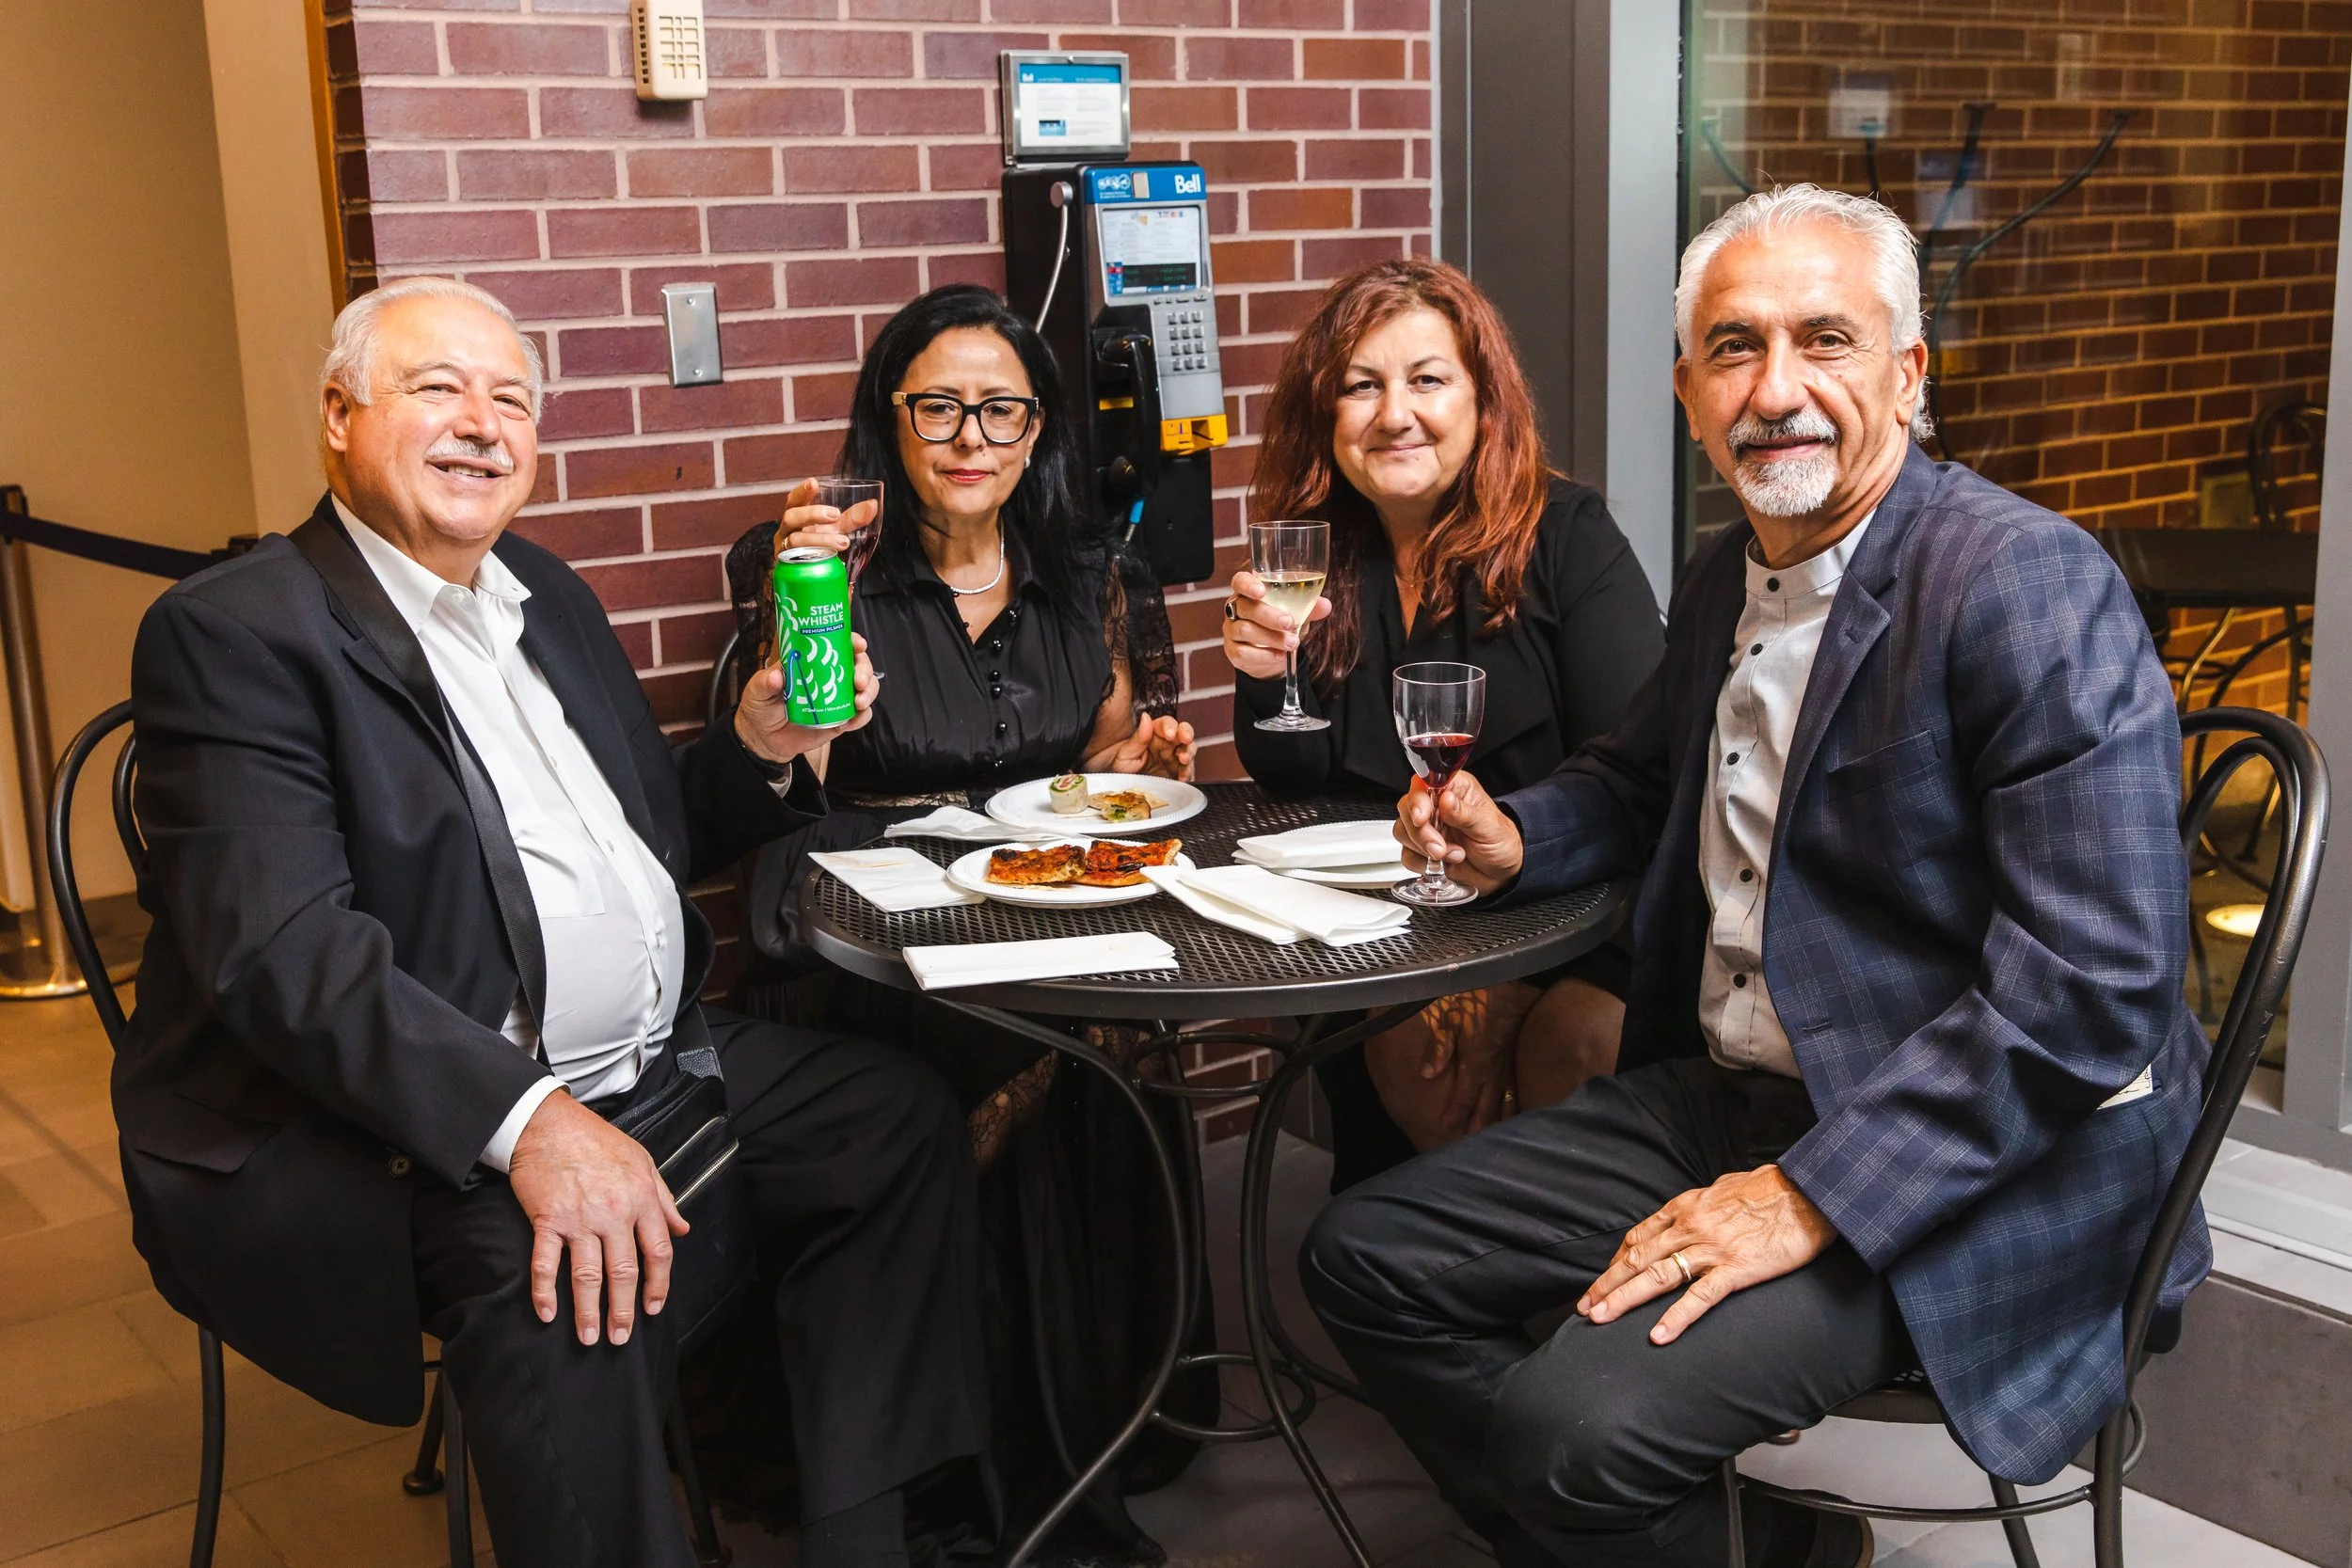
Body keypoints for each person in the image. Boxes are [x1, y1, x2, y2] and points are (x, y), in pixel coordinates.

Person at [1300, 185, 2211, 1568]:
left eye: (1823, 340)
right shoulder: (1733, 565)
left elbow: (2091, 991)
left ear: (1908, 372)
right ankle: (1755, 1548)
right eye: (1733, 347)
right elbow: (1643, 779)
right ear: (1686, 389)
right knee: (1361, 1257)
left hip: (1974, 1156)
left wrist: (1811, 1190)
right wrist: (1520, 836)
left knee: (1572, 1428)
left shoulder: (2022, 582)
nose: (1775, 389)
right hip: (1734, 1093)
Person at [117, 277, 983, 1568]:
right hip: (408, 1118)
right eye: (438, 388)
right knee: (571, 1294)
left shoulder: (544, 594)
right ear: (339, 418)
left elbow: (649, 835)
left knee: (894, 1117)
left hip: (647, 1061)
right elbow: (281, 953)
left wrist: (762, 744)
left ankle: (862, 1539)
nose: (483, 422)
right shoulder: (235, 633)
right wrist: (530, 1120)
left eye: (512, 399)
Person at [718, 284, 1212, 1561]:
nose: (970, 433)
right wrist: (791, 616)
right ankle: (964, 1474)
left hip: (1041, 899)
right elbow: (787, 774)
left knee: (1108, 1028)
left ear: (1041, 427)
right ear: (891, 418)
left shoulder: (1087, 573)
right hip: (869, 924)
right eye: (937, 404)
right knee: (1033, 1043)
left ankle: (1092, 1417)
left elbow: (1102, 754)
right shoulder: (821, 565)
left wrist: (1143, 750)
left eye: (1001, 406)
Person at [1217, 258, 1662, 1187]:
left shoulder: (1569, 538)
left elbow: (1642, 783)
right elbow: (1296, 780)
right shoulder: (1325, 554)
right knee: (1401, 1042)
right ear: (1323, 414)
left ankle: (1551, 1308)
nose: (1393, 414)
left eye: (1426, 379)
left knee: (1567, 1042)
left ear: (1482, 399)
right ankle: (1427, 1286)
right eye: (1360, 386)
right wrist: (1265, 681)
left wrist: (1502, 982)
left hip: (1573, 919)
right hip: (1389, 922)